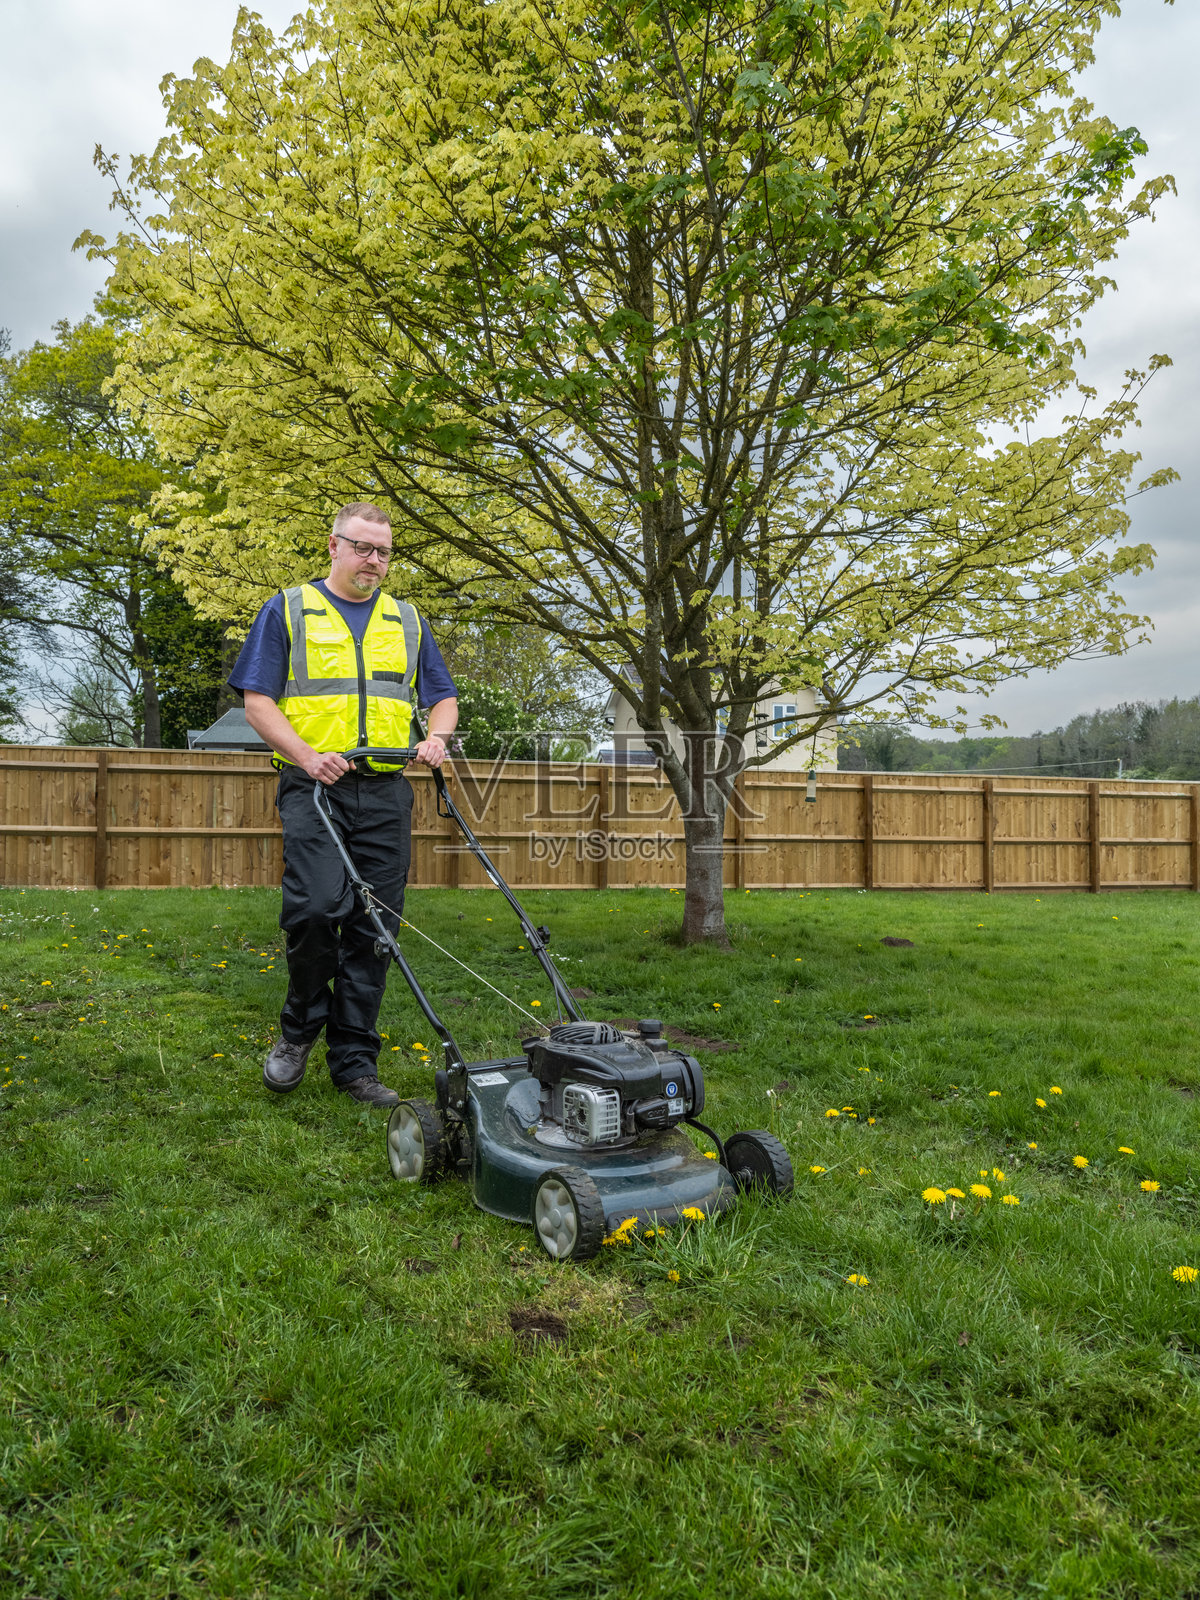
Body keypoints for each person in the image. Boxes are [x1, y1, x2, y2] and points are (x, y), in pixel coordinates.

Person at [229, 502, 458, 1106]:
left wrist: (436, 736)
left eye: (383, 552)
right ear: (333, 546)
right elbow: (257, 702)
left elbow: (442, 698)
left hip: (385, 791)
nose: (374, 561)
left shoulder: (407, 620)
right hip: (314, 787)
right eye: (363, 548)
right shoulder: (288, 610)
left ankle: (354, 1061)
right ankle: (299, 1029)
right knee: (312, 911)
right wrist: (307, 756)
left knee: (376, 927)